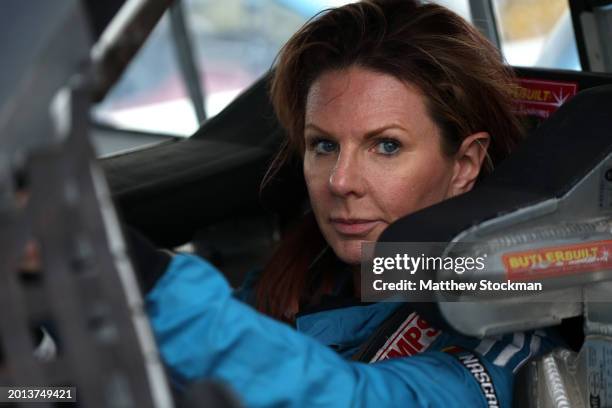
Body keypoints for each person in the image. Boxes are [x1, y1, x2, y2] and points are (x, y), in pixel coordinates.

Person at [144, 0, 559, 406]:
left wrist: (154, 282)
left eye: (386, 146)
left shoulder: (512, 327)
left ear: (464, 164)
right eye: (323, 144)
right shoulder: (293, 281)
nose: (340, 181)